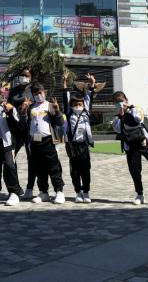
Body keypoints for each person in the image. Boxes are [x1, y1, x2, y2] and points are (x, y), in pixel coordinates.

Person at [20, 82, 65, 204]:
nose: (38, 95)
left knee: (53, 167)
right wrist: (23, 111)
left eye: (40, 92)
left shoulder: (50, 105)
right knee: (39, 168)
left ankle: (59, 191)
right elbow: (24, 123)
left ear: (44, 92)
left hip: (48, 140)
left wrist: (57, 110)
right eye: (35, 94)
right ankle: (43, 192)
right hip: (35, 141)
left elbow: (60, 122)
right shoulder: (31, 107)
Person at [62, 72, 95, 204]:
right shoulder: (69, 113)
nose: (78, 106)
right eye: (75, 104)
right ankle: (78, 192)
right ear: (71, 106)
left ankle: (86, 192)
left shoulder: (86, 112)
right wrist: (64, 82)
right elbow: (66, 97)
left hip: (83, 145)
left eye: (80, 104)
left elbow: (89, 97)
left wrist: (92, 84)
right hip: (72, 146)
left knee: (86, 170)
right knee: (74, 171)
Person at [7, 68, 36, 199]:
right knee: (10, 158)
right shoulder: (13, 90)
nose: (23, 77)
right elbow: (9, 106)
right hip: (15, 128)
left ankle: (30, 188)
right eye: (21, 75)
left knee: (32, 158)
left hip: (29, 128)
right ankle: (15, 188)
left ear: (31, 77)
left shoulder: (34, 90)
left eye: (26, 75)